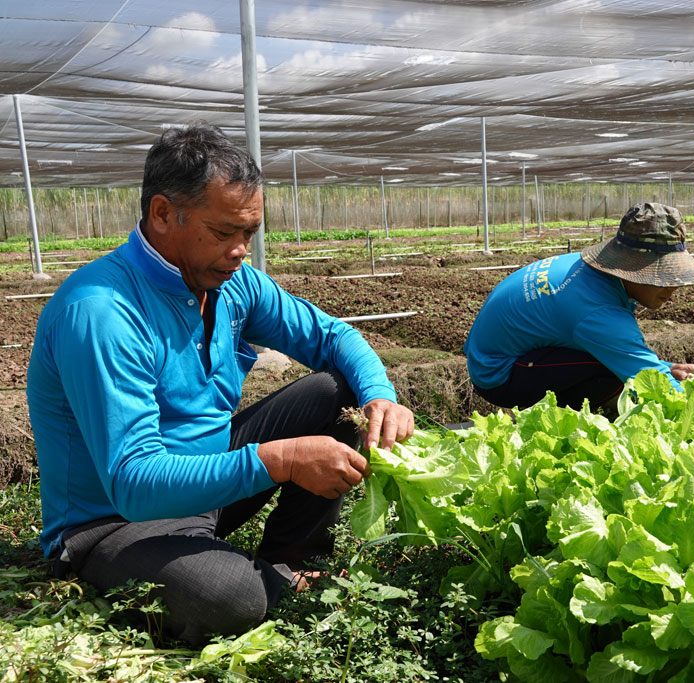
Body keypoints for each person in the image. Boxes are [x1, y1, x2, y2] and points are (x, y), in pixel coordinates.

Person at [26, 122, 415, 645]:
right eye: (223, 232)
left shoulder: (232, 282)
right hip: (116, 521)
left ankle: (290, 558)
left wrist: (378, 394)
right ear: (163, 214)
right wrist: (282, 460)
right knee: (231, 596)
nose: (240, 250)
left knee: (336, 392)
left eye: (249, 234)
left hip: (202, 482)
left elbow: (331, 336)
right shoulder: (103, 312)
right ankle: (260, 580)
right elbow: (135, 484)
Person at [463, 202, 694, 415]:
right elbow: (647, 377)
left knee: (613, 359)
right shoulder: (598, 311)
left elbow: (627, 354)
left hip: (510, 354)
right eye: (664, 279)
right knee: (611, 372)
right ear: (633, 268)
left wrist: (672, 368)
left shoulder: (590, 275)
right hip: (498, 374)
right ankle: (564, 423)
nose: (671, 292)